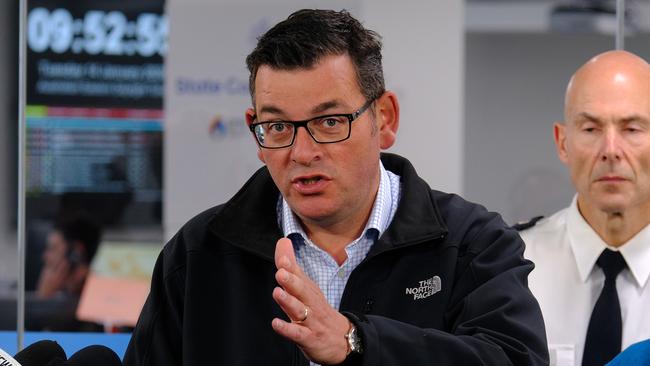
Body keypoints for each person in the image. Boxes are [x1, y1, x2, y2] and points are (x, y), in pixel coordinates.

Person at [124, 9, 548, 365]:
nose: (303, 152)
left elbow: (514, 358)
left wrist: (356, 341)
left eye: (329, 122)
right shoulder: (198, 255)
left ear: (385, 118)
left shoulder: (472, 243)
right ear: (256, 130)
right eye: (278, 126)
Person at [520, 50, 650, 366]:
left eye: (632, 129)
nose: (610, 151)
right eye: (591, 129)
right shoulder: (510, 266)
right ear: (562, 142)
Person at [36, 214, 102, 300]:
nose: (45, 257)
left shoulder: (99, 295)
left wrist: (43, 299)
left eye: (53, 248)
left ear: (75, 252)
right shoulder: (60, 291)